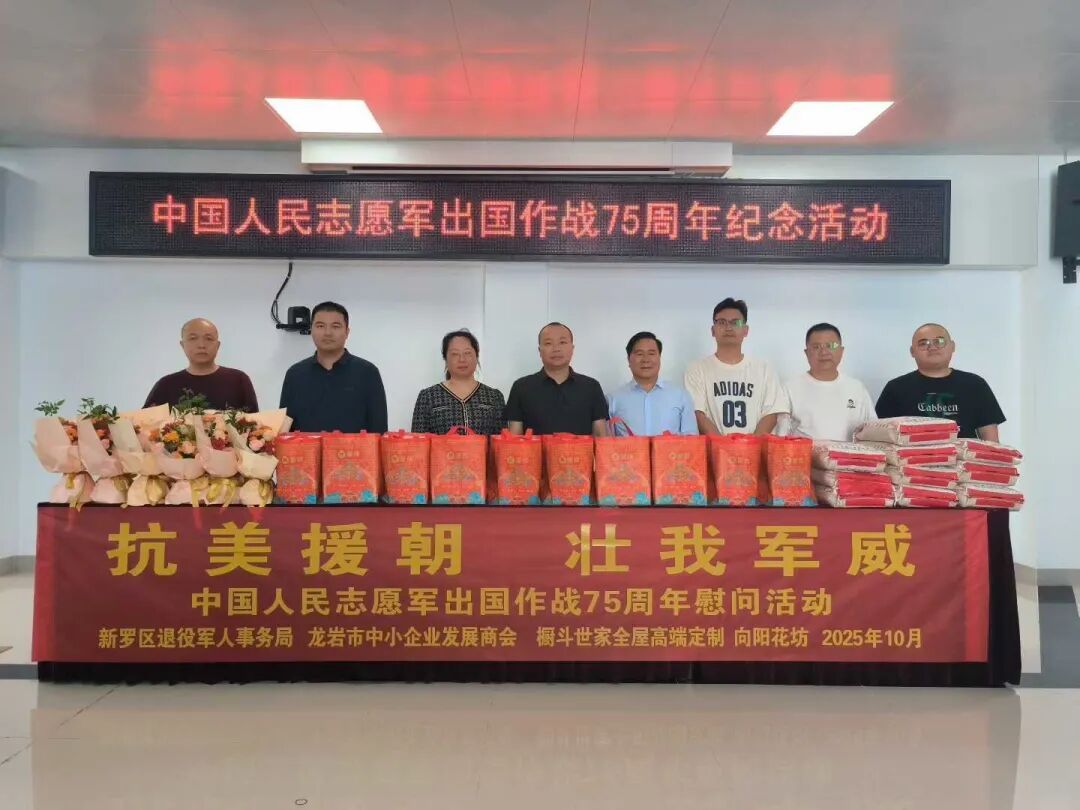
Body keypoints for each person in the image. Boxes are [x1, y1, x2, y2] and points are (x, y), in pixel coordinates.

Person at [876, 323, 1004, 441]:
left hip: (965, 458)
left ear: (952, 346)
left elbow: (991, 440)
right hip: (912, 458)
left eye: (939, 341)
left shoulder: (975, 385)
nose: (932, 347)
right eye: (923, 343)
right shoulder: (896, 388)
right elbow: (879, 436)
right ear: (912, 351)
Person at [684, 297, 788, 435]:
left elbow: (771, 413)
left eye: (735, 322)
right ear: (713, 330)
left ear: (746, 330)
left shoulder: (764, 369)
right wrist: (721, 445)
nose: (728, 327)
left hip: (755, 447)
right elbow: (697, 413)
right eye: (722, 322)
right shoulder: (697, 369)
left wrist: (750, 445)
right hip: (713, 447)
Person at [279, 301, 388, 433]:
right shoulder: (295, 375)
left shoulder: (368, 373)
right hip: (306, 447)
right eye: (320, 326)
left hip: (355, 447)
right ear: (311, 330)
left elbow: (379, 429)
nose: (328, 333)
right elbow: (284, 431)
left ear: (347, 332)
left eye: (335, 326)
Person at [505, 322, 608, 437]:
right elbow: (514, 438)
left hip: (580, 449)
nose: (556, 348)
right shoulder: (521, 387)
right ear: (540, 351)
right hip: (536, 450)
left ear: (572, 348)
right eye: (548, 343)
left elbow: (600, 435)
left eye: (562, 342)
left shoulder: (591, 387)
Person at [781, 323, 875, 442]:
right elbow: (780, 437)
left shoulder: (857, 389)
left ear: (841, 351)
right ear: (806, 353)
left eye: (831, 346)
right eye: (816, 347)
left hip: (849, 454)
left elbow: (872, 432)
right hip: (804, 454)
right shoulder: (789, 389)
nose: (824, 352)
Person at [144, 318, 258, 411]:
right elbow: (144, 426)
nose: (201, 345)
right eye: (193, 338)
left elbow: (256, 425)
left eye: (208, 338)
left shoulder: (238, 380)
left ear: (218, 345)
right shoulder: (165, 385)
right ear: (182, 345)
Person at [411, 329, 506, 436]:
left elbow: (502, 440)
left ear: (477, 356)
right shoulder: (428, 396)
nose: (462, 359)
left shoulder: (494, 397)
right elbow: (417, 442)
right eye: (455, 354)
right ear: (445, 359)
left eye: (467, 353)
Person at [607, 331, 697, 436]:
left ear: (659, 357)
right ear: (629, 359)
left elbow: (691, 438)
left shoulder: (680, 396)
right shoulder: (613, 399)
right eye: (639, 354)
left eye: (651, 353)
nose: (646, 359)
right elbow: (605, 441)